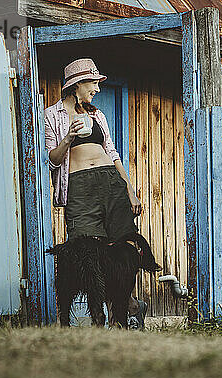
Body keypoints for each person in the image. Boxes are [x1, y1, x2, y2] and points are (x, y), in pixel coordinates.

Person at [44, 58, 146, 328]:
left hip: (110, 185)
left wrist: (129, 189)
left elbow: (112, 154)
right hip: (79, 188)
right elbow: (52, 160)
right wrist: (67, 137)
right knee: (87, 251)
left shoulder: (97, 115)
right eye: (93, 83)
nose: (98, 89)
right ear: (77, 84)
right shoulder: (52, 115)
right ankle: (98, 317)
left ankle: (124, 312)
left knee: (121, 250)